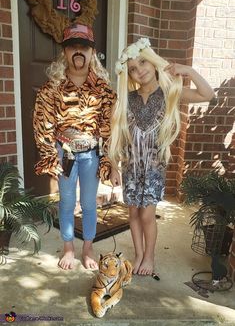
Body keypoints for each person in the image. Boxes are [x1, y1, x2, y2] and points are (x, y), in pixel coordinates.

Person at [109, 38, 214, 276]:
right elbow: (115, 137)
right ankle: (138, 254)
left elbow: (207, 94)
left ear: (154, 62)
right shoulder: (128, 99)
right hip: (132, 166)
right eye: (133, 68)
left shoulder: (169, 92)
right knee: (133, 212)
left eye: (143, 62)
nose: (139, 70)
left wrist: (189, 70)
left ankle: (149, 256)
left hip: (154, 166)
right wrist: (114, 166)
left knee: (147, 213)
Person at [33, 23, 116, 270]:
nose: (78, 51)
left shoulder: (104, 90)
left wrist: (109, 159)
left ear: (92, 53)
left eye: (84, 47)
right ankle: (68, 246)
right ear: (65, 53)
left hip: (91, 153)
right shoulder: (52, 88)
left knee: (90, 202)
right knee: (67, 202)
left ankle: (87, 248)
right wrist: (50, 155)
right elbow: (42, 123)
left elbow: (111, 126)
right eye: (72, 47)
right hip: (64, 153)